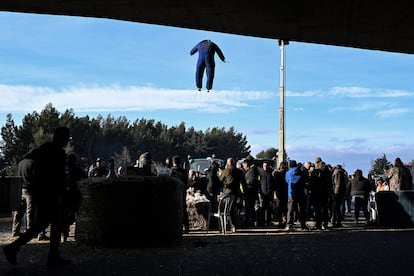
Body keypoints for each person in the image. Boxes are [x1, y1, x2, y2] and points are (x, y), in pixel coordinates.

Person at [3, 126, 72, 266]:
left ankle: (14, 248)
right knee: (53, 224)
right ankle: (51, 256)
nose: (68, 140)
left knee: (42, 224)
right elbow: (57, 177)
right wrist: (63, 194)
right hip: (49, 194)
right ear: (61, 137)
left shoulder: (43, 150)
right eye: (67, 137)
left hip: (42, 193)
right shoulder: (56, 153)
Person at [12, 155, 48, 241]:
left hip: (21, 189)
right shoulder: (33, 163)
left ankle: (15, 231)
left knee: (19, 211)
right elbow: (37, 177)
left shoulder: (21, 163)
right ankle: (30, 232)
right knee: (30, 212)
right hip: (30, 190)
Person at [62, 153, 87, 241]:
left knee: (65, 215)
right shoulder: (77, 169)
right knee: (74, 216)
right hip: (74, 195)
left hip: (63, 195)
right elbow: (85, 179)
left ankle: (64, 234)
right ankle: (74, 234)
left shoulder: (62, 168)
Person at [219, 157, 243, 232]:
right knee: (233, 209)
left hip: (227, 192)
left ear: (228, 163)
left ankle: (224, 225)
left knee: (225, 209)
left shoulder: (226, 171)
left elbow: (220, 180)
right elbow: (243, 181)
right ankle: (234, 225)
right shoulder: (239, 171)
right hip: (236, 192)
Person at [285, 160, 308, 231]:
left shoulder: (288, 173)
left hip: (291, 194)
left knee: (290, 210)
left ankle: (289, 225)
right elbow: (304, 181)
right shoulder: (301, 172)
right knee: (301, 210)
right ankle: (303, 225)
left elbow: (286, 181)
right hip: (300, 193)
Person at [171, 155, 190, 233]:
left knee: (174, 209)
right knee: (183, 209)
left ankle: (176, 226)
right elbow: (186, 182)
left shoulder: (171, 171)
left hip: (173, 192)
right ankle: (186, 227)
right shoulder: (184, 171)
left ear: (173, 162)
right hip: (182, 192)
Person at [241, 155, 259, 227]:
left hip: (250, 191)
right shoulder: (251, 169)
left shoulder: (252, 170)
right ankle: (249, 220)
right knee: (249, 207)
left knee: (249, 207)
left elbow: (251, 181)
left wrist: (244, 182)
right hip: (250, 191)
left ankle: (250, 221)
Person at [258, 161, 276, 226]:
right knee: (262, 208)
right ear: (262, 166)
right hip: (262, 193)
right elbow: (259, 183)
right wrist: (259, 192)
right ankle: (262, 221)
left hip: (269, 193)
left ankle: (269, 221)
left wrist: (273, 193)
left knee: (269, 208)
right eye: (264, 166)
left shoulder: (270, 174)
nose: (265, 167)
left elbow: (273, 184)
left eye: (266, 165)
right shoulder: (260, 173)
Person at [273, 161, 288, 228]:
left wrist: (274, 194)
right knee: (284, 208)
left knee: (279, 208)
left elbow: (275, 185)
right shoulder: (286, 174)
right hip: (285, 193)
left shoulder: (277, 174)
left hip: (279, 192)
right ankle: (284, 220)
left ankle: (280, 221)